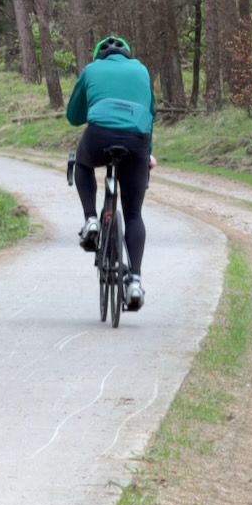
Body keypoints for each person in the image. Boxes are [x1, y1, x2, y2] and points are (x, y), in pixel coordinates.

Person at [65, 35, 154, 310]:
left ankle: (91, 219)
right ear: (127, 55)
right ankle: (136, 282)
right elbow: (152, 115)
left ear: (98, 56)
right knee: (133, 214)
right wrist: (147, 153)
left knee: (81, 163)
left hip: (99, 135)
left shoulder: (91, 71)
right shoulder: (141, 70)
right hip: (137, 139)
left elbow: (73, 115)